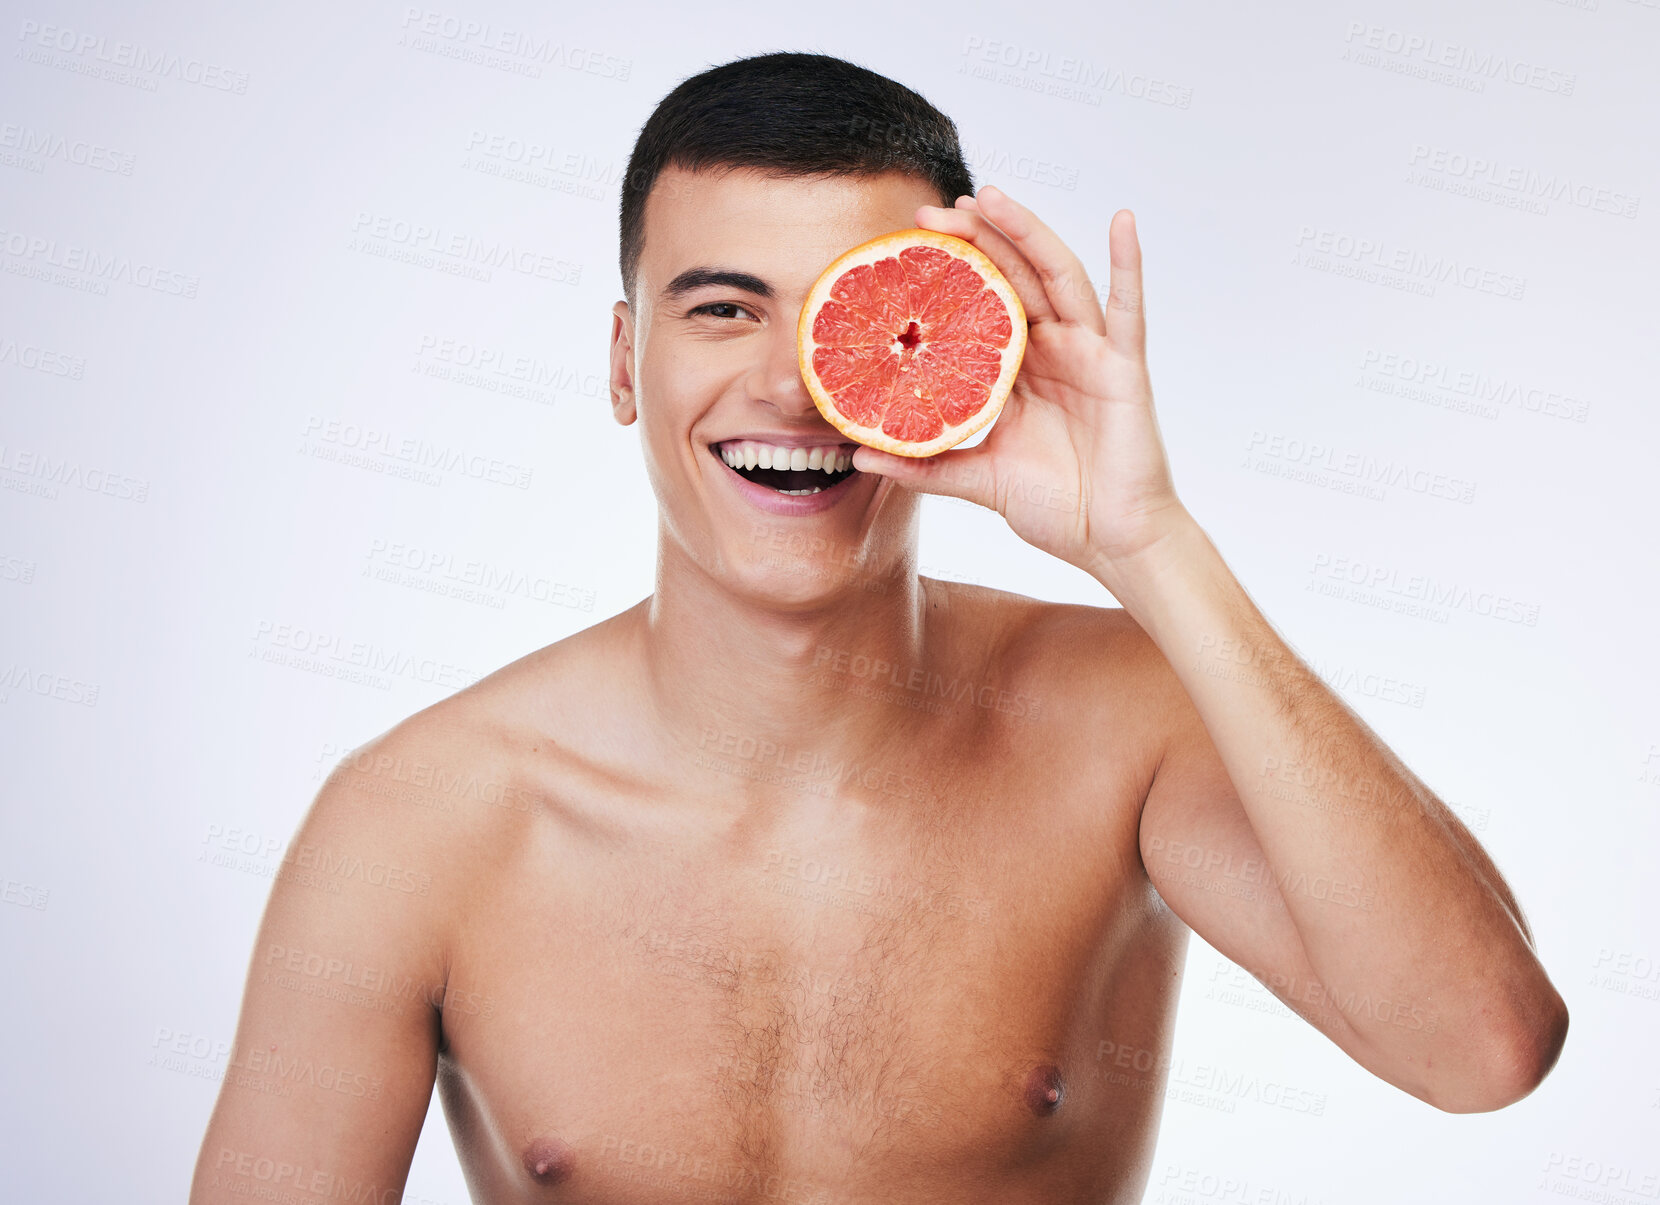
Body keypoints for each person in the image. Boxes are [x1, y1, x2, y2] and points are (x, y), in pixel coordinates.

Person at [190, 51, 1567, 1205]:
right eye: (724, 308)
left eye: (865, 313)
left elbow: (1484, 1045)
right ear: (624, 363)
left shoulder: (1117, 725)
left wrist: (1147, 543)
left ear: (971, 346)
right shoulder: (412, 823)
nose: (794, 388)